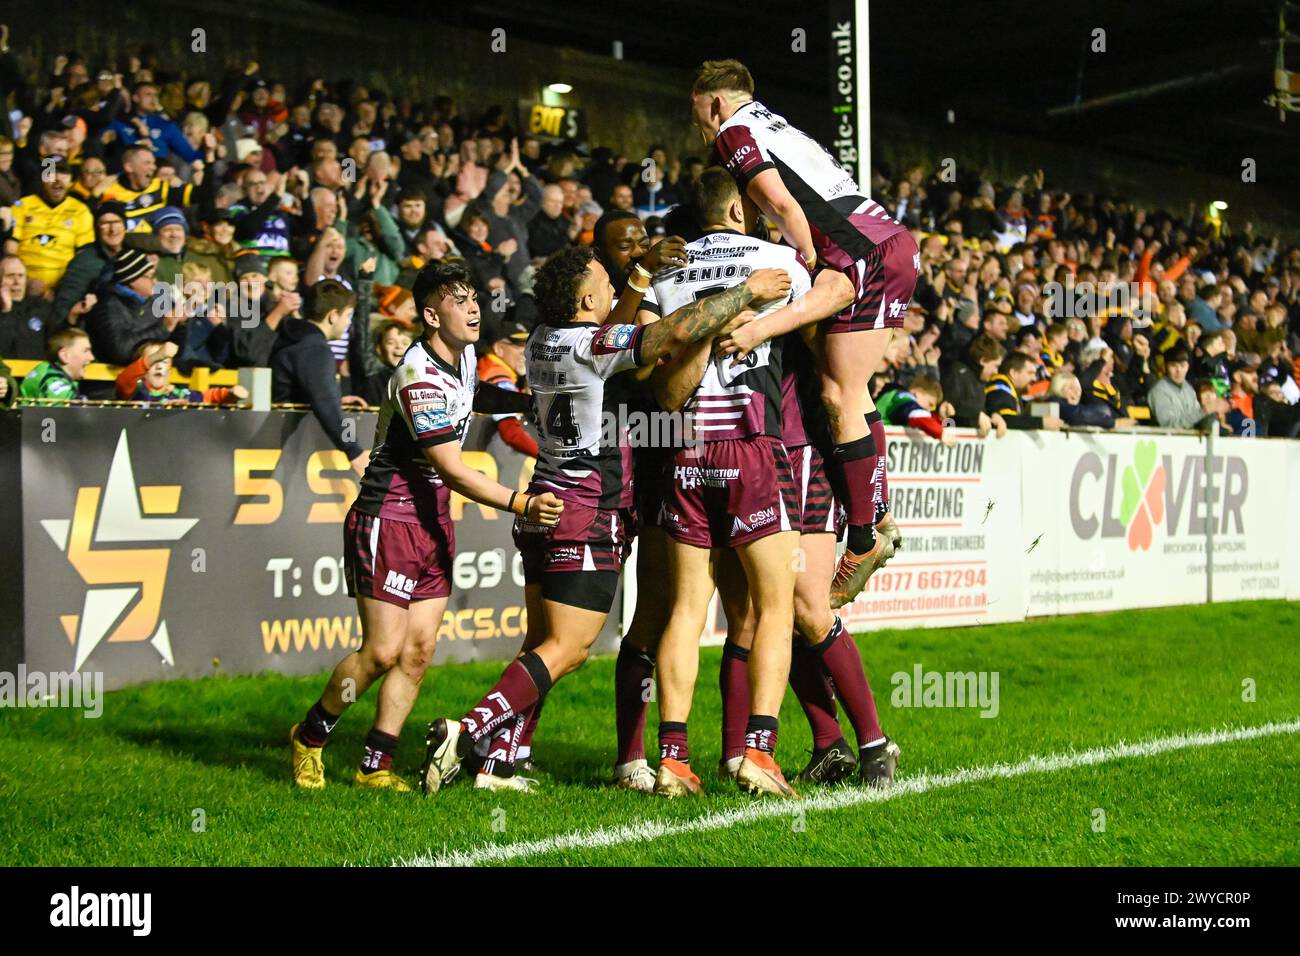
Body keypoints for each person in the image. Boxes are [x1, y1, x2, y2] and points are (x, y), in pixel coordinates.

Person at [418, 245, 791, 795]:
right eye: (606, 285)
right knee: (568, 649)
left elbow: (617, 332)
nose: (617, 293)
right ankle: (466, 731)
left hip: (545, 500)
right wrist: (742, 293)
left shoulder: (544, 338)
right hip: (587, 511)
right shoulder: (594, 344)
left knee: (541, 642)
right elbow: (659, 338)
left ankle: (498, 763)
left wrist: (640, 276)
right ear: (588, 298)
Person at [289, 261, 563, 791]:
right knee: (383, 651)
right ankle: (312, 734)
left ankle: (376, 765)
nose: (475, 308)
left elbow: (475, 395)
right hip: (388, 517)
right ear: (432, 315)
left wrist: (523, 400)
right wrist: (521, 502)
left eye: (474, 298)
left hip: (432, 519)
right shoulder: (415, 373)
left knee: (418, 651)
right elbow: (452, 468)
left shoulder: (461, 360)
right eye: (460, 301)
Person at [690, 59, 920, 607]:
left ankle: (864, 537)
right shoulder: (777, 122)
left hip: (857, 251)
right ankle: (877, 522)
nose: (698, 125)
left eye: (696, 111)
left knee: (838, 394)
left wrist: (808, 262)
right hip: (885, 241)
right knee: (846, 390)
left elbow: (782, 204)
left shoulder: (734, 131)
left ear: (716, 103)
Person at [270, 279, 369, 475]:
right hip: (280, 447)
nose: (348, 323)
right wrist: (354, 451)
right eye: (348, 316)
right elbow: (324, 402)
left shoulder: (293, 337)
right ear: (333, 316)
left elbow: (298, 389)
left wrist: (335, 398)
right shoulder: (315, 349)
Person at [4, 160, 92, 296]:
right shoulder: (22, 206)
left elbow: (83, 259)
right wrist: (24, 282)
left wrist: (62, 290)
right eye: (50, 174)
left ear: (70, 179)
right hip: (23, 287)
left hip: (62, 290)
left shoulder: (81, 211)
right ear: (41, 178)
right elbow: (10, 250)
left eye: (63, 174)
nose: (58, 180)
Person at [476, 313, 538, 459]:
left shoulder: (486, 368)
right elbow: (511, 433)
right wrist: (547, 459)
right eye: (518, 345)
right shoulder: (499, 378)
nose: (526, 352)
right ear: (498, 349)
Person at [18, 326, 94, 402]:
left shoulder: (48, 370)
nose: (92, 357)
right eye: (85, 351)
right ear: (65, 356)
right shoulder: (52, 380)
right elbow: (68, 412)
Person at [1147, 348, 1205, 429]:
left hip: (1189, 438)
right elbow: (1169, 425)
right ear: (1165, 367)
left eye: (1182, 366)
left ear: (1187, 367)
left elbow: (1197, 416)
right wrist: (1204, 411)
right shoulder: (1159, 390)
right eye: (1173, 366)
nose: (1179, 370)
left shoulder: (1189, 389)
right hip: (1167, 439)